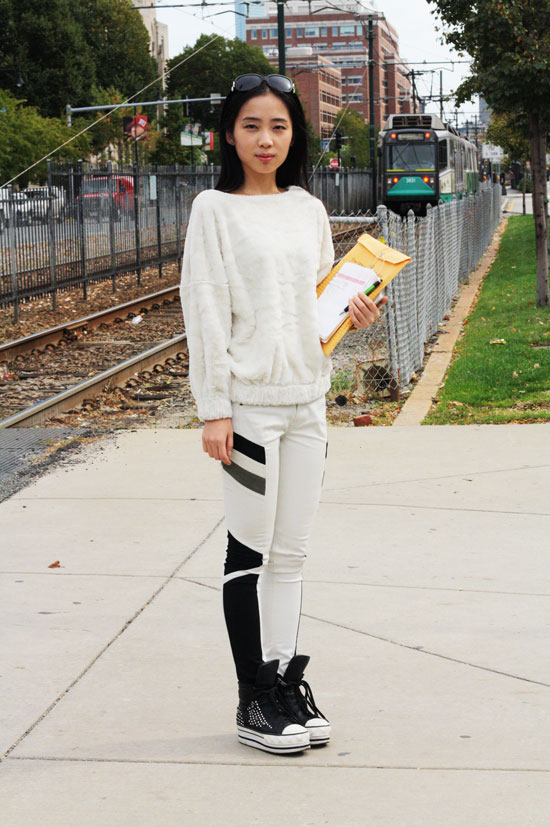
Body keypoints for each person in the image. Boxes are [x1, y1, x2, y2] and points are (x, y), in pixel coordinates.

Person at [180, 73, 387, 755]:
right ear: (229, 135)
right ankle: (252, 697)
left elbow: (317, 308)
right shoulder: (213, 209)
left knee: (293, 551)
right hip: (248, 410)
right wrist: (215, 410)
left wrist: (352, 316)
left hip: (307, 401)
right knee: (250, 549)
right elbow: (204, 313)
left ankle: (284, 680)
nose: (266, 139)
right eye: (251, 126)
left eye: (278, 126)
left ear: (294, 134)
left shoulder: (307, 208)